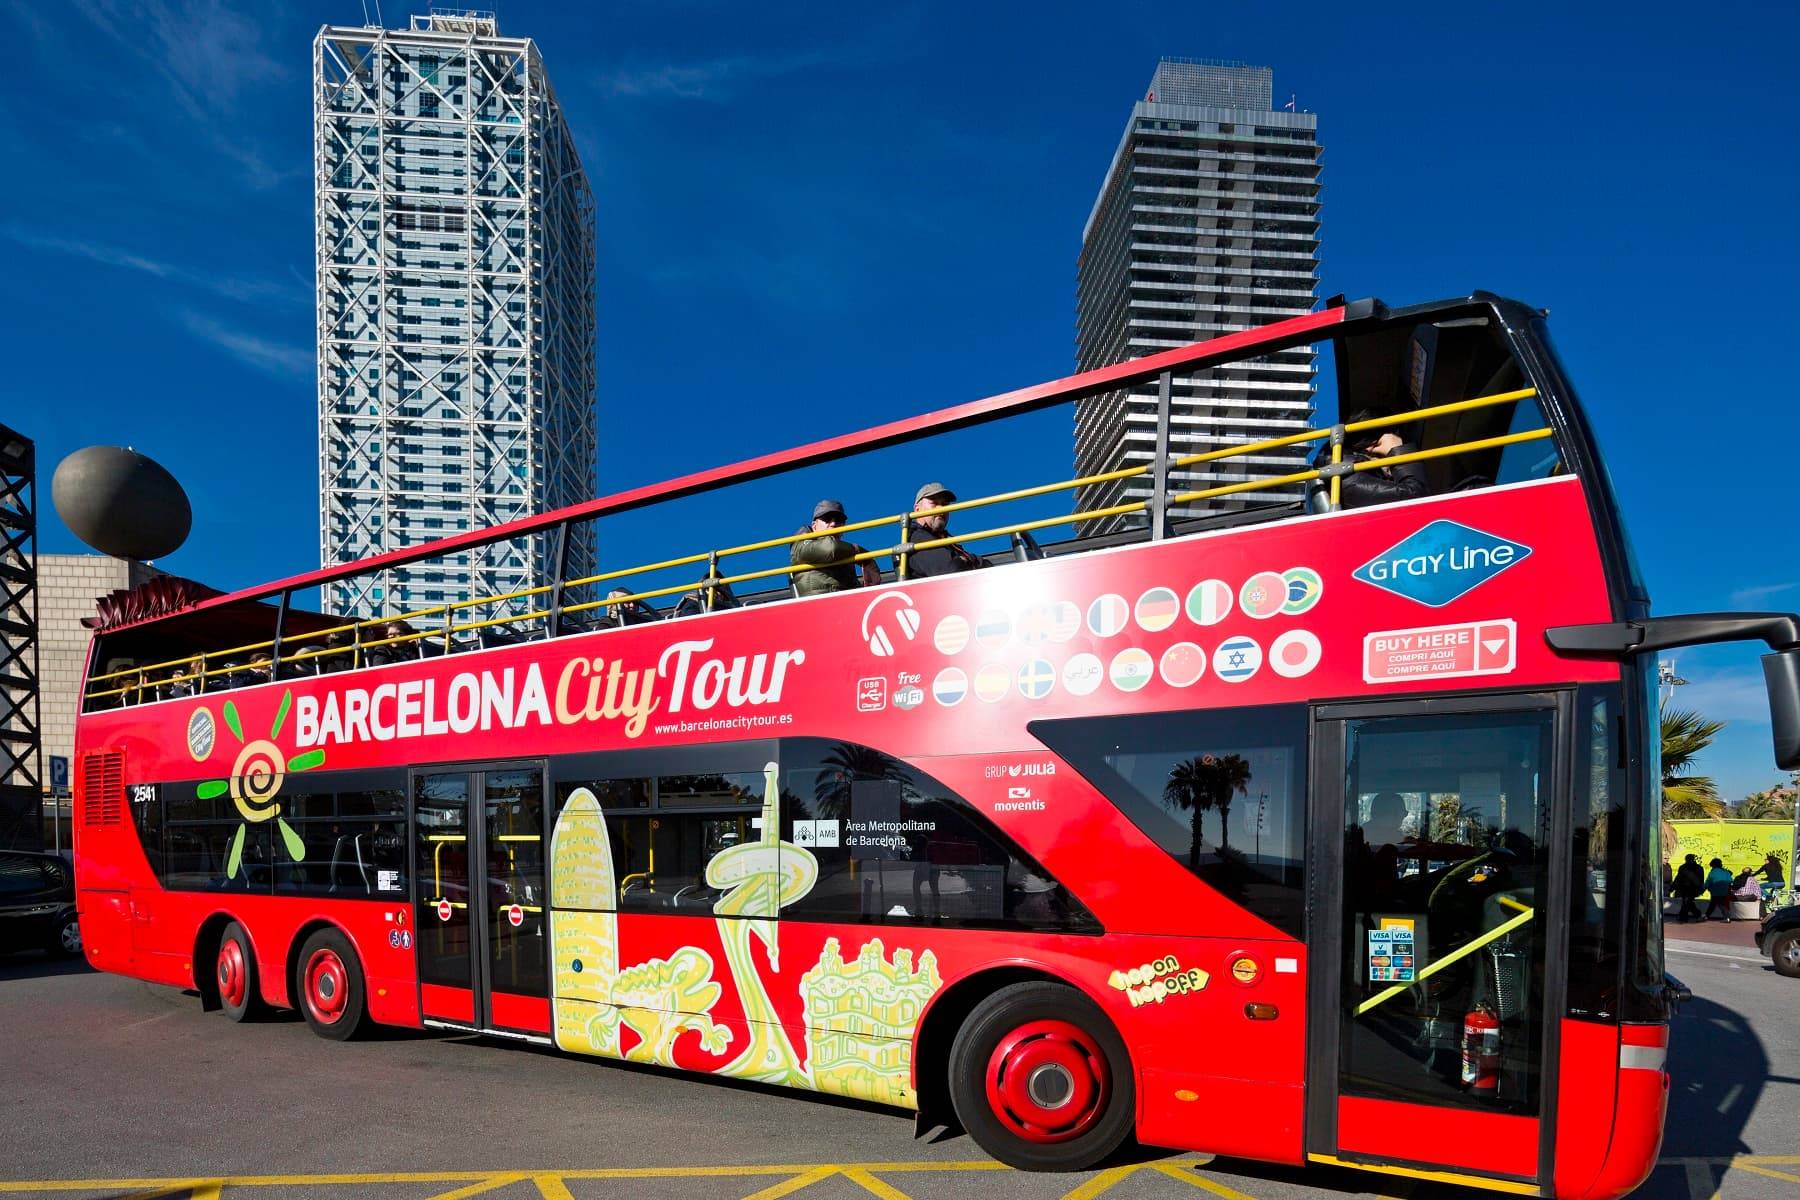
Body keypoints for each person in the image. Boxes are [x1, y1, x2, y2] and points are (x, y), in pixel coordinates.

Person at [1313, 414, 1427, 509]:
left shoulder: (1349, 472)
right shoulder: (1350, 479)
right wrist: (1399, 449)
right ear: (1374, 447)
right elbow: (1418, 497)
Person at [791, 499, 880, 596]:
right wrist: (861, 553)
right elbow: (830, 548)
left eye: (839, 520)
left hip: (842, 604)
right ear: (814, 526)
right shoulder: (801, 541)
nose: (833, 524)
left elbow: (852, 586)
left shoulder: (845, 552)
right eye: (827, 519)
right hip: (818, 605)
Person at [898, 482, 980, 578]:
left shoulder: (946, 540)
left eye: (944, 504)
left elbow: (987, 565)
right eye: (934, 503)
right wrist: (970, 560)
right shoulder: (918, 537)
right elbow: (951, 572)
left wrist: (966, 559)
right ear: (917, 510)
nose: (940, 509)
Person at [1673, 853, 1704, 922]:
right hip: (1693, 889)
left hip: (1685, 888)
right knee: (1687, 902)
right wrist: (1701, 889)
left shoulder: (1683, 867)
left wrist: (1673, 887)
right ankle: (1684, 917)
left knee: (1687, 902)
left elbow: (1678, 878)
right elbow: (1701, 879)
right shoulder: (1699, 868)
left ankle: (1693, 915)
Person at [1703, 856, 1736, 921]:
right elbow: (1731, 880)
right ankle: (1707, 915)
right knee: (1715, 903)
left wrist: (1703, 889)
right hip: (1724, 890)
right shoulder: (1726, 872)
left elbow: (1707, 882)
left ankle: (1726, 917)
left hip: (1715, 891)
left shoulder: (1712, 872)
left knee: (1719, 904)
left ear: (1713, 865)